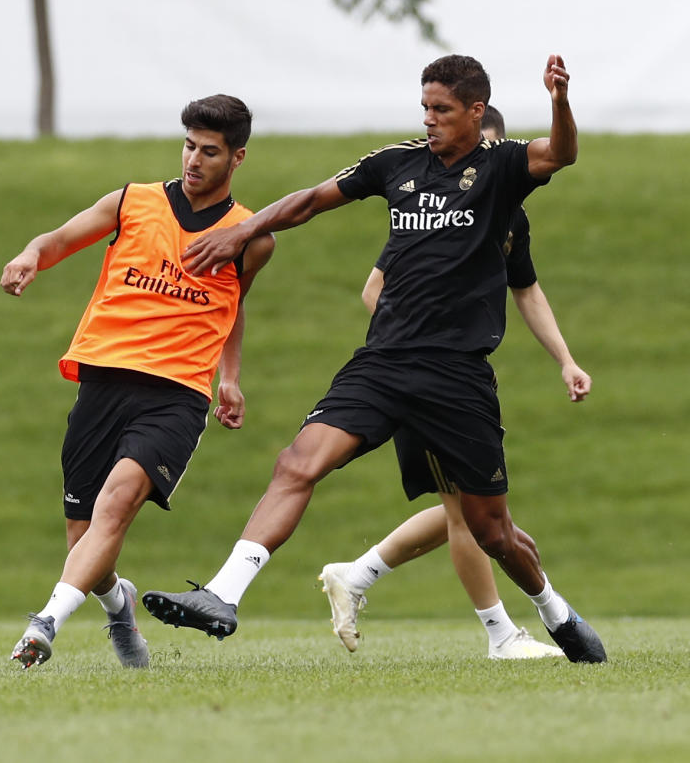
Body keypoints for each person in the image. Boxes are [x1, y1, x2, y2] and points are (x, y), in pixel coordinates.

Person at [142, 55, 607, 663]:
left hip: (458, 375)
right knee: (297, 463)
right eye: (424, 108)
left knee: (491, 529)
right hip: (383, 362)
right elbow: (311, 200)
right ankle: (223, 595)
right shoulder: (398, 163)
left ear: (474, 111)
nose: (429, 119)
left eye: (441, 109)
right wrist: (240, 231)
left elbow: (563, 154)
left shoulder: (501, 167)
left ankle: (555, 613)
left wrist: (560, 101)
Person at [0, 94, 274, 669]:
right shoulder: (133, 202)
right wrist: (29, 255)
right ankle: (118, 605)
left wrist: (230, 377)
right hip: (103, 379)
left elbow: (232, 303)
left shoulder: (249, 236)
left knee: (117, 502)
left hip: (176, 395)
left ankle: (45, 623)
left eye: (210, 151)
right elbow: (58, 239)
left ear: (237, 157)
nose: (194, 160)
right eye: (189, 146)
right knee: (85, 537)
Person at [319, 106, 589, 659]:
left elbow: (528, 290)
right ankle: (500, 635)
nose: (479, 171)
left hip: (454, 377)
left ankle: (358, 573)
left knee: (471, 515)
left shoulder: (510, 217)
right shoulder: (431, 209)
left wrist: (566, 359)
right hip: (423, 377)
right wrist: (416, 348)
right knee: (468, 514)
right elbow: (376, 289)